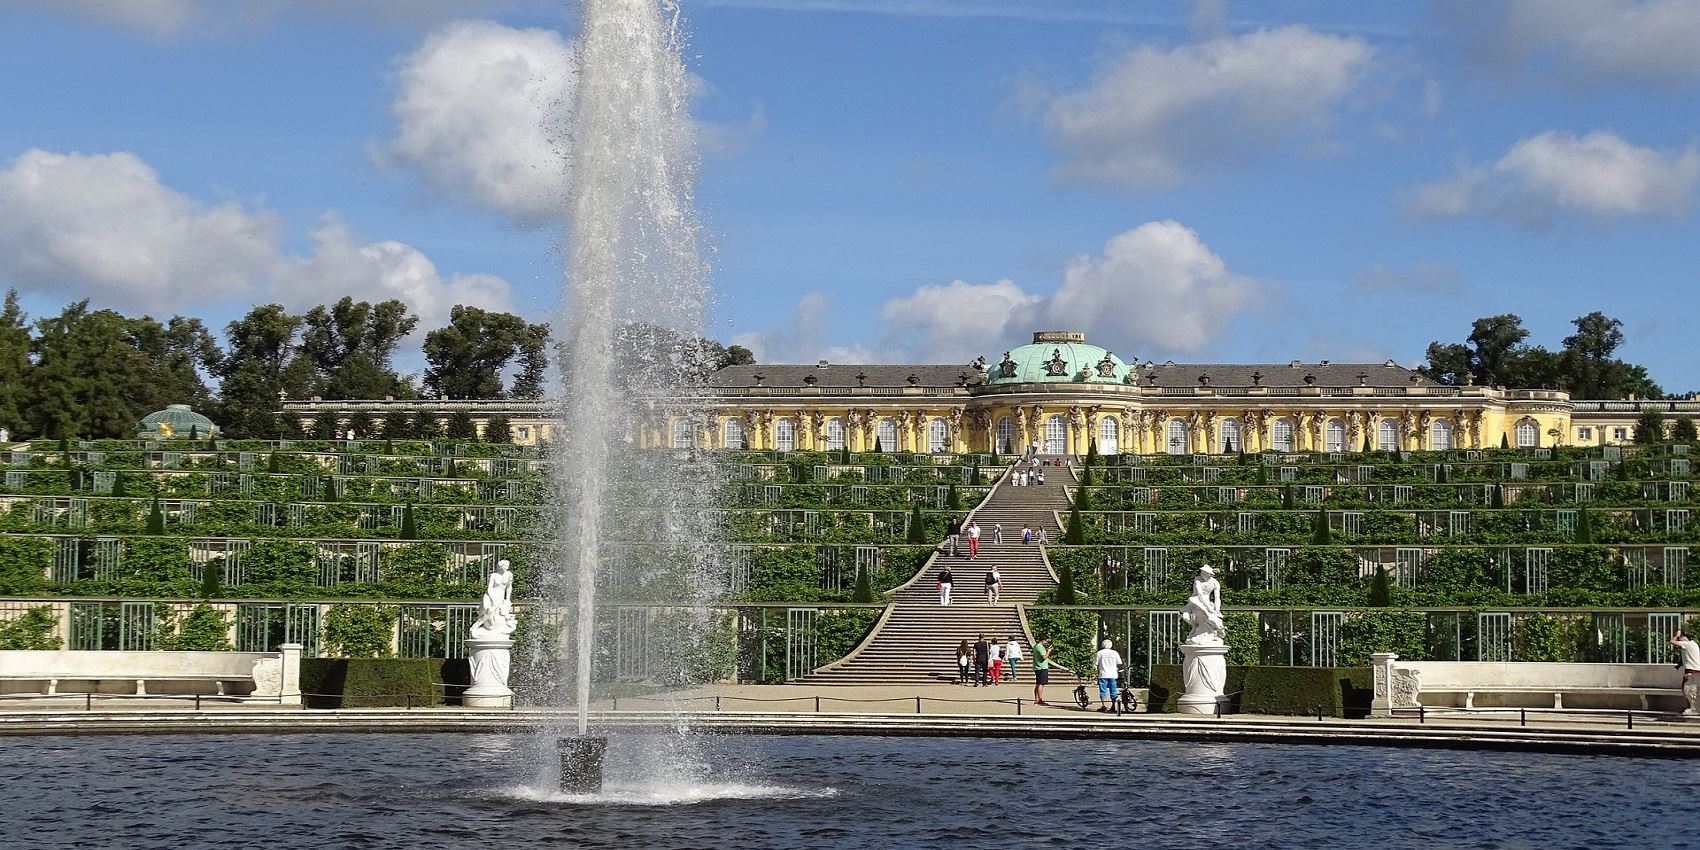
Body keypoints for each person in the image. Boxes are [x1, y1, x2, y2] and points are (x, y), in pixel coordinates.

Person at [1674, 631, 1700, 716]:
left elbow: (1672, 641)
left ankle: (1693, 708)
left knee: (1689, 690)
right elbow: (1688, 657)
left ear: (1685, 637)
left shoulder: (1687, 644)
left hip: (1692, 671)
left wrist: (1676, 635)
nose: (1679, 640)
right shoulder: (1692, 645)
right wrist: (1679, 664)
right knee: (1686, 689)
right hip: (1693, 670)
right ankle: (1690, 706)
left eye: (1680, 638)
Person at [1094, 638, 1123, 712]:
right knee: (1113, 691)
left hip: (1103, 674)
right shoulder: (1115, 653)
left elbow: (1096, 663)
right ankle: (1113, 705)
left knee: (1103, 691)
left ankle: (1104, 705)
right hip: (1113, 674)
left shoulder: (1099, 653)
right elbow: (1119, 663)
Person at [1032, 637, 1053, 704]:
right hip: (1042, 667)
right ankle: (1040, 699)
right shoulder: (1040, 647)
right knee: (1041, 684)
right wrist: (1048, 652)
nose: (1046, 642)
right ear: (1043, 640)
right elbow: (1044, 657)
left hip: (1037, 667)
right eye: (1046, 641)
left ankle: (1036, 699)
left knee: (1038, 684)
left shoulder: (1036, 646)